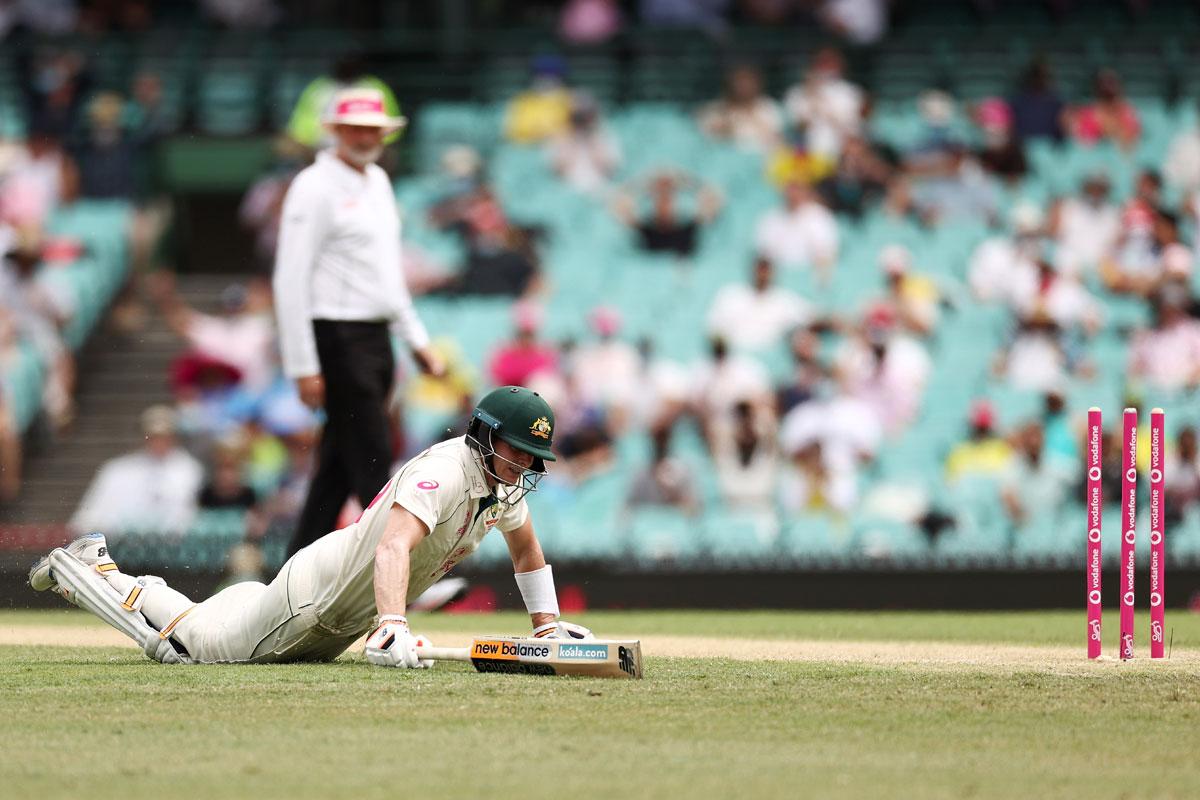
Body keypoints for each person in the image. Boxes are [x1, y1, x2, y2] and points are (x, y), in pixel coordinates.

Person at [31, 387, 595, 666]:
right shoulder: (444, 472)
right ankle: (86, 570)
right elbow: (395, 546)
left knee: (201, 621)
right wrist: (394, 623)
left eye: (530, 456)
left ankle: (108, 569)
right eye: (515, 451)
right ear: (484, 435)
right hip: (316, 604)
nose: (523, 465)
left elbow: (526, 551)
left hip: (336, 607)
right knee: (196, 649)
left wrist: (546, 626)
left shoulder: (500, 483)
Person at [272, 87, 444, 558]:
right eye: (356, 128)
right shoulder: (313, 186)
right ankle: (401, 571)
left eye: (373, 129)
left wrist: (417, 341)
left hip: (375, 337)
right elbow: (291, 279)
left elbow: (388, 276)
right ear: (336, 131)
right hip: (336, 334)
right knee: (371, 459)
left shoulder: (378, 184)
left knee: (338, 468)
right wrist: (303, 365)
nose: (365, 137)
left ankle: (289, 578)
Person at [70, 405, 204, 536]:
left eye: (164, 436)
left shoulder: (190, 469)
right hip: (123, 543)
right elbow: (88, 516)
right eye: (153, 437)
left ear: (174, 437)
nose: (159, 442)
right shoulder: (117, 469)